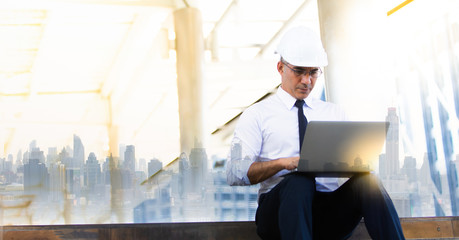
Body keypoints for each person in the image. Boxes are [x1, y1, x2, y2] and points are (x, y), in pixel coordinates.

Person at [226, 26, 405, 240]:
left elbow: (355, 171)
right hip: (279, 214)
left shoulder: (333, 113)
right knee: (299, 181)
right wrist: (285, 163)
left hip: (326, 214)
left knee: (368, 182)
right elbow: (234, 173)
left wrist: (358, 162)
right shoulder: (258, 114)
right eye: (299, 71)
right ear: (280, 67)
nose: (306, 81)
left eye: (313, 72)